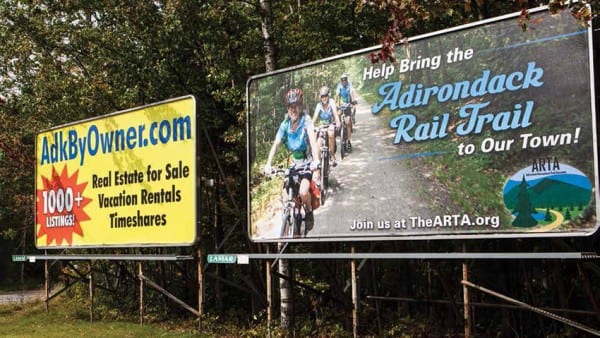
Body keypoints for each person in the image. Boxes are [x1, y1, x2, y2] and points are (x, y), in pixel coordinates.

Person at [264, 88, 320, 229]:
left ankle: (308, 211)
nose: (293, 110)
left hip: (307, 163)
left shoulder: (306, 120)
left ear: (300, 106)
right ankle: (288, 224)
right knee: (285, 196)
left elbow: (313, 141)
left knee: (302, 191)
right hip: (294, 164)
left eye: (295, 106)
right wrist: (268, 164)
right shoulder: (285, 124)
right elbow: (276, 143)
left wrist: (316, 160)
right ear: (287, 108)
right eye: (290, 107)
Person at [312, 86, 340, 167]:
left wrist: (338, 122)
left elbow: (335, 113)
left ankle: (332, 156)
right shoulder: (318, 105)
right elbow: (314, 117)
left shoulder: (331, 102)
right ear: (320, 97)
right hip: (322, 126)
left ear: (328, 96)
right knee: (318, 140)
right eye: (322, 97)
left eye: (325, 96)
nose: (324, 98)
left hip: (331, 124)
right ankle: (316, 160)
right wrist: (312, 126)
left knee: (331, 134)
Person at [335, 73, 358, 150]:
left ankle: (348, 141)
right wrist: (335, 104)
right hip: (341, 105)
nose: (344, 81)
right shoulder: (339, 86)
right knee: (338, 115)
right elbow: (337, 95)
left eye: (345, 80)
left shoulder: (349, 85)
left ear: (347, 80)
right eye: (342, 80)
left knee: (348, 122)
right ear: (341, 81)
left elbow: (352, 92)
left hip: (348, 104)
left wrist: (353, 101)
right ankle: (339, 130)